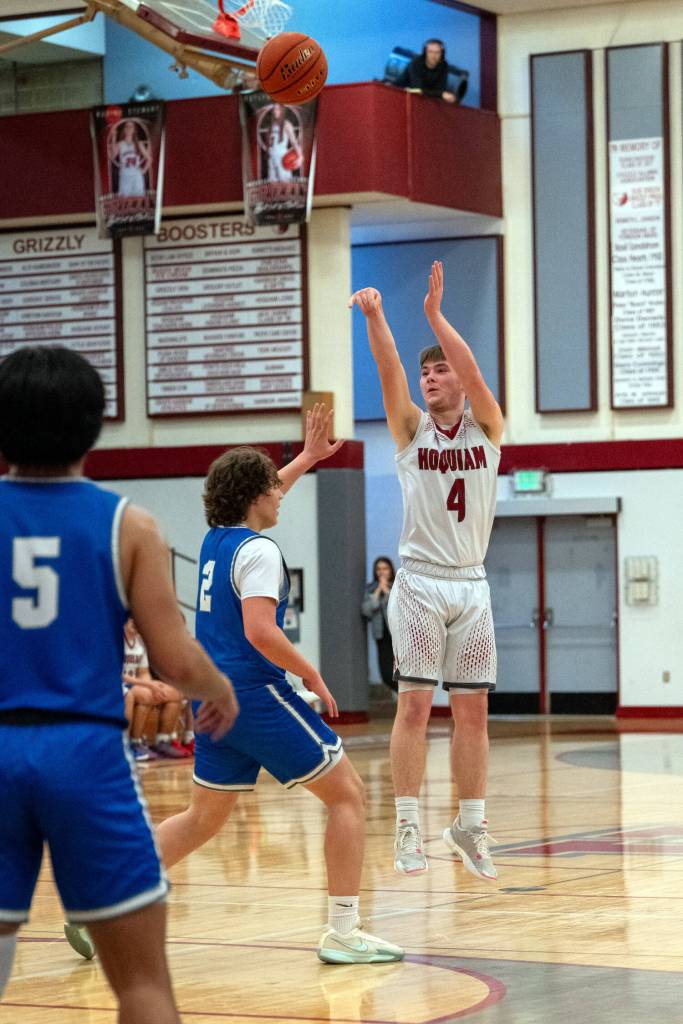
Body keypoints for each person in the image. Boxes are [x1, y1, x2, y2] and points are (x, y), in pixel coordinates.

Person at [0, 345, 238, 1020]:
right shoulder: (128, 525)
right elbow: (174, 659)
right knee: (142, 986)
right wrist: (216, 688)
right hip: (84, 752)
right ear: (94, 425)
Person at [155, 407, 404, 965]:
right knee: (347, 795)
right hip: (254, 695)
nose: (281, 493)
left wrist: (310, 457)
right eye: (274, 486)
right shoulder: (263, 552)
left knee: (203, 818)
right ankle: (343, 929)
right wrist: (311, 672)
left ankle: (104, 896)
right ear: (255, 496)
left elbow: (264, 492)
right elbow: (261, 631)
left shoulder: (218, 540)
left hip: (213, 697)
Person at [349, 261, 504, 881]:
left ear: (460, 381)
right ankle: (408, 826)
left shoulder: (488, 427)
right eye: (427, 370)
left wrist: (438, 317)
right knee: (414, 708)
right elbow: (389, 371)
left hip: (471, 584)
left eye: (441, 369)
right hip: (417, 581)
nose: (431, 377)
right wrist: (377, 316)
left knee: (474, 714)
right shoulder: (411, 429)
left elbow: (474, 373)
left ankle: (470, 824)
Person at [122, 618, 191, 760]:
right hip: (120, 683)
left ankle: (163, 740)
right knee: (147, 695)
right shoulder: (116, 641)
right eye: (131, 620)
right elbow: (116, 672)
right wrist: (148, 686)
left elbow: (143, 672)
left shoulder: (139, 642)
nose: (135, 623)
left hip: (136, 683)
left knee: (174, 693)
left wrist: (154, 686)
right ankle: (132, 743)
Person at [361, 557, 397, 693]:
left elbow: (399, 607)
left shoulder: (397, 587)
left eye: (385, 568)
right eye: (378, 569)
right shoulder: (370, 589)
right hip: (381, 636)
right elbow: (366, 611)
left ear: (390, 570)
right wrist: (377, 593)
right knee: (386, 675)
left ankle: (409, 701)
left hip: (398, 636)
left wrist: (387, 592)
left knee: (404, 673)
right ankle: (408, 698)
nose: (382, 572)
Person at [396, 39, 457, 104]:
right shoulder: (416, 62)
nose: (433, 56)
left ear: (442, 54)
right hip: (401, 94)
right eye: (430, 52)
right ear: (425, 52)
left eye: (437, 52)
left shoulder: (444, 65)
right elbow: (417, 90)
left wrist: (442, 94)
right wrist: (441, 94)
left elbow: (440, 89)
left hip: (425, 99)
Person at [261, 103, 302, 181]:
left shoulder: (286, 124)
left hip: (282, 157)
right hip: (271, 157)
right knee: (272, 183)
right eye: (274, 110)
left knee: (284, 182)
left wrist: (299, 156)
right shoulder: (271, 126)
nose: (275, 112)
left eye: (277, 109)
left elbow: (293, 141)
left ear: (281, 111)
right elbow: (269, 144)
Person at [112, 119, 150, 197]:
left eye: (131, 126)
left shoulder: (139, 144)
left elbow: (149, 159)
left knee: (138, 199)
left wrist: (143, 171)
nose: (129, 128)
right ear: (124, 129)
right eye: (127, 126)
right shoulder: (120, 144)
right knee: (124, 201)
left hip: (136, 175)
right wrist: (113, 138)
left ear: (134, 130)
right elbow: (112, 156)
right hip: (125, 175)